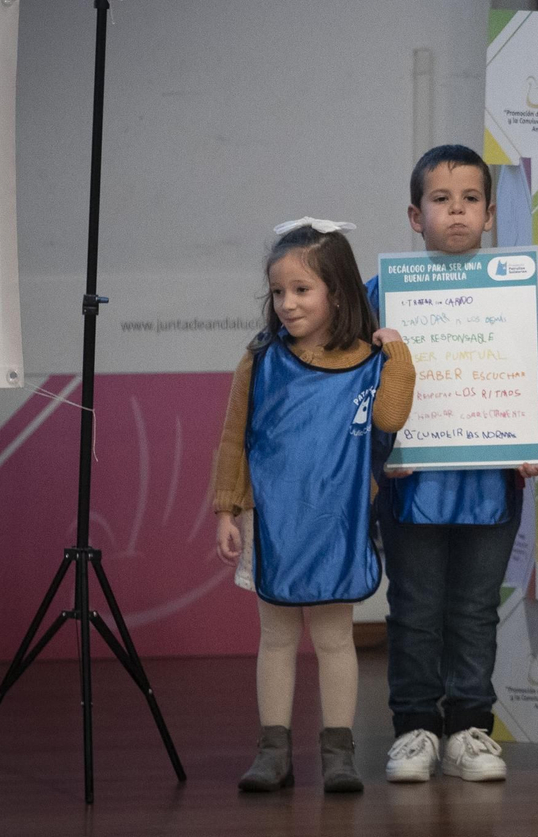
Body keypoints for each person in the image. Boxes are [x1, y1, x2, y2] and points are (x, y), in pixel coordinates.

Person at [367, 145, 538, 784]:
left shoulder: (518, 290)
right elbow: (358, 387)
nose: (456, 212)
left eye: (471, 200)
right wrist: (380, 451)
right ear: (414, 214)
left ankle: (470, 729)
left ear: (489, 216)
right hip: (409, 482)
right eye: (441, 199)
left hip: (491, 479)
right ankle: (415, 729)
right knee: (416, 606)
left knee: (477, 606)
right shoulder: (382, 295)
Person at [211, 219, 417, 793]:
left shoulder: (368, 363)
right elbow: (234, 437)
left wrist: (396, 353)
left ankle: (339, 754)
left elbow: (391, 419)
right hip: (272, 522)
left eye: (302, 290)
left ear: (339, 292)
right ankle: (273, 750)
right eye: (279, 292)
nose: (287, 304)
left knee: (334, 640)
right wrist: (227, 508)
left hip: (337, 521)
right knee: (276, 638)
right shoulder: (260, 359)